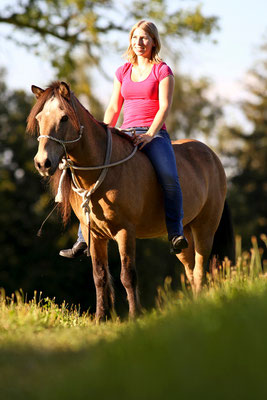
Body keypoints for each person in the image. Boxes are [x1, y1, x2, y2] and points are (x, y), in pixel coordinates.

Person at [60, 20, 188, 258]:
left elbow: (165, 107)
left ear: (153, 42)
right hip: (125, 132)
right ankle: (83, 239)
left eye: (144, 38)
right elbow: (113, 106)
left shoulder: (162, 70)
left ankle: (175, 232)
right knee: (94, 176)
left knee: (169, 177)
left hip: (154, 133)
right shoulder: (123, 71)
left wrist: (151, 134)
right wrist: (104, 132)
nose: (139, 43)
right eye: (135, 38)